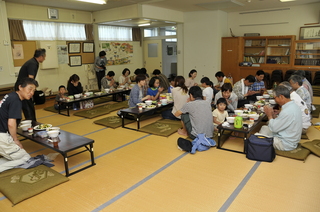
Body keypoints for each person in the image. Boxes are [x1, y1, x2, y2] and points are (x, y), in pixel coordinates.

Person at [0, 78, 38, 173]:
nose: (32, 92)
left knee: (12, 156)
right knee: (26, 158)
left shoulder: (10, 96)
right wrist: (15, 140)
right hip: (2, 136)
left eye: (33, 90)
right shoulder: (16, 100)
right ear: (20, 87)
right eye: (30, 89)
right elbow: (11, 123)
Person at [258, 85, 302, 151]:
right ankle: (262, 147)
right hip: (289, 137)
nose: (275, 100)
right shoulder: (293, 106)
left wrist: (269, 115)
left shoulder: (287, 111)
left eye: (275, 98)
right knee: (264, 128)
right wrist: (273, 115)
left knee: (256, 136)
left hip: (285, 143)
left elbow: (274, 128)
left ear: (281, 96)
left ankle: (261, 150)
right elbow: (283, 122)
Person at [15, 48, 46, 121]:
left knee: (30, 105)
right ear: (41, 56)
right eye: (44, 56)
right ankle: (31, 123)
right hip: (23, 88)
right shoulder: (32, 63)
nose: (45, 58)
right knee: (27, 106)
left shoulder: (34, 62)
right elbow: (30, 78)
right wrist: (32, 90)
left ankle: (32, 122)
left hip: (25, 86)